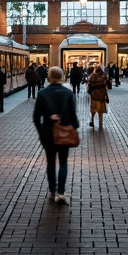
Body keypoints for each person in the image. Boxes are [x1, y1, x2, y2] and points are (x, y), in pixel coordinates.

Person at [33, 66, 78, 204]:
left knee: (50, 162)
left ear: (49, 77)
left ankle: (52, 190)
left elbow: (36, 117)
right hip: (64, 133)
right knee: (63, 162)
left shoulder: (42, 94)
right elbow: (73, 117)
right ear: (62, 77)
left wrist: (42, 132)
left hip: (48, 134)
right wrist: (73, 128)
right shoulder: (68, 93)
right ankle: (61, 192)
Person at [86, 63, 109, 130]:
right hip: (102, 95)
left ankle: (92, 120)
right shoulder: (104, 76)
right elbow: (107, 84)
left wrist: (90, 92)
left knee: (93, 109)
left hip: (95, 95)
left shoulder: (93, 76)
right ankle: (100, 122)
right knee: (101, 110)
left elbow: (90, 85)